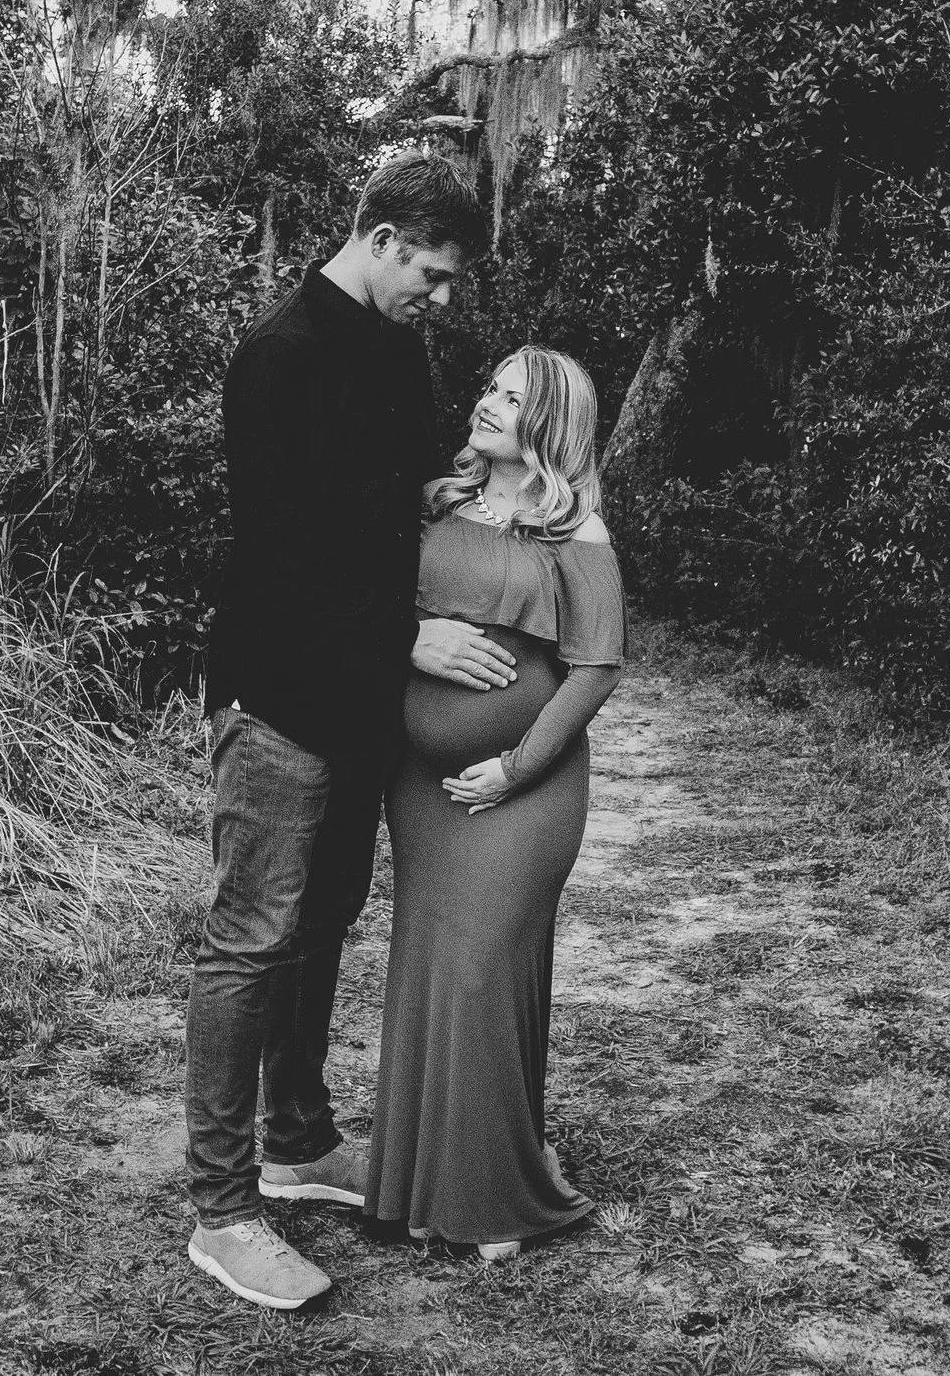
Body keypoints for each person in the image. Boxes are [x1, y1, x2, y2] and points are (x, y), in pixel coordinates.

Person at [185, 156, 518, 1311]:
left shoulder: (396, 347)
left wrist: (432, 490)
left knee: (322, 921)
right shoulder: (278, 357)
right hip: (278, 694)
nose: (440, 299)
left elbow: (364, 508)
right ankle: (226, 1210)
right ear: (379, 237)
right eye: (429, 274)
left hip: (355, 700)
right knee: (252, 936)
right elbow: (283, 555)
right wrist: (408, 637)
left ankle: (298, 1139)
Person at [364, 345, 625, 1258]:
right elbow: (369, 603)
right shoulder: (435, 504)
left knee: (482, 970)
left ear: (548, 422)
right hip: (422, 787)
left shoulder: (575, 532)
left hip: (525, 791)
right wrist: (407, 639)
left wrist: (515, 766)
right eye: (489, 388)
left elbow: (596, 669)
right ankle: (426, 1185)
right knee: (431, 967)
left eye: (511, 398)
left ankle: (491, 1190)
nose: (487, 403)